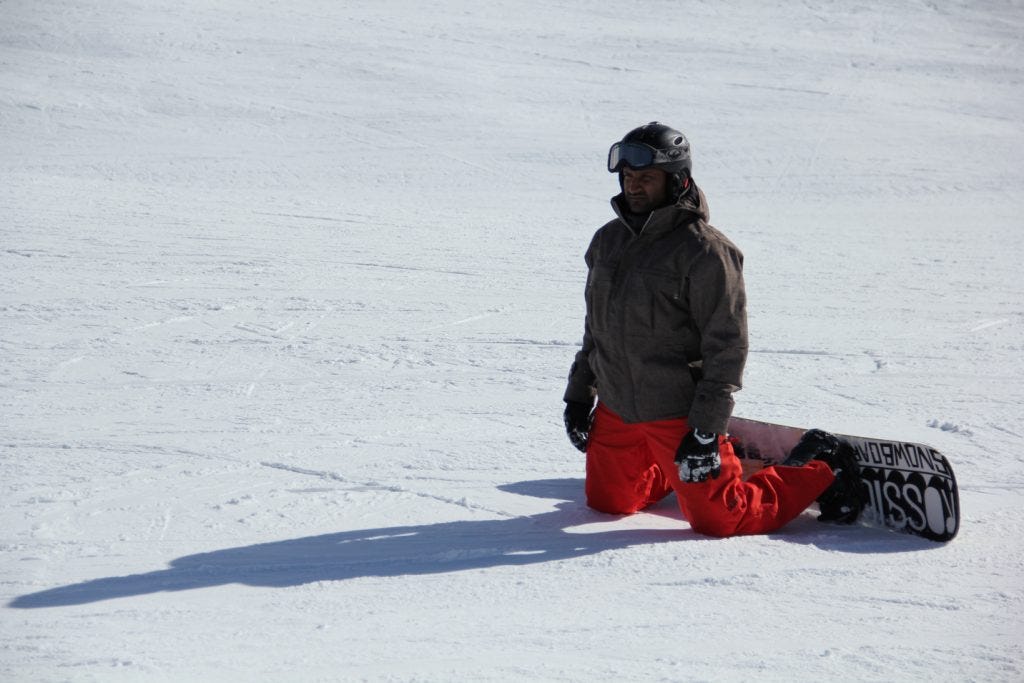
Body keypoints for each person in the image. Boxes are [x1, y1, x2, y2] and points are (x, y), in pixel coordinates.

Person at [562, 121, 864, 537]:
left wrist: (705, 428)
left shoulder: (706, 251)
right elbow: (596, 329)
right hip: (617, 406)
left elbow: (727, 347)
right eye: (628, 177)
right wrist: (579, 396)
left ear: (677, 180)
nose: (633, 187)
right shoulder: (607, 241)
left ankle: (819, 465)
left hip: (679, 411)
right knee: (608, 503)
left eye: (646, 178)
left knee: (721, 519)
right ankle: (683, 471)